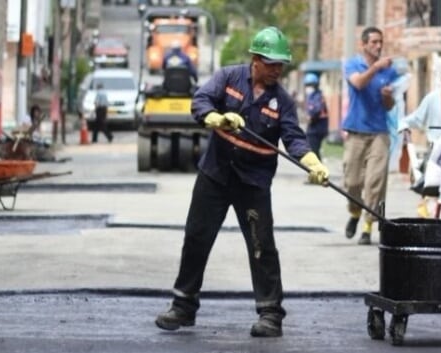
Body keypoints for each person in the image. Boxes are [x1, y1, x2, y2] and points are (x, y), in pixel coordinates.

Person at [154, 26, 329, 338]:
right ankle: (183, 306)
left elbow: (294, 139)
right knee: (196, 237)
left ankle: (271, 314)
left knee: (262, 247)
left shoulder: (283, 102)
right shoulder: (228, 78)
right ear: (255, 59)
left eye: (281, 64)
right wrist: (216, 118)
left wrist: (312, 162)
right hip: (215, 175)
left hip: (253, 182)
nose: (277, 70)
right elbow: (201, 101)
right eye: (272, 63)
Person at [342, 27, 398, 245]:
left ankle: (367, 227)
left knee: (375, 181)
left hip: (379, 133)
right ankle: (355, 213)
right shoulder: (353, 65)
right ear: (364, 44)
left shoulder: (389, 72)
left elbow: (390, 105)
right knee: (352, 182)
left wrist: (388, 97)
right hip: (356, 131)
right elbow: (358, 83)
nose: (378, 46)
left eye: (380, 42)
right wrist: (376, 67)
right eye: (374, 42)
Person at [398, 64, 441, 217]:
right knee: (432, 190)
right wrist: (404, 125)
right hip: (436, 151)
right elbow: (415, 119)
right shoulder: (432, 99)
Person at [303, 73, 329, 160]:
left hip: (317, 128)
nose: (308, 87)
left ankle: (319, 170)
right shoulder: (311, 96)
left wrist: (310, 117)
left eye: (310, 85)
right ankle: (317, 170)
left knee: (313, 151)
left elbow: (316, 110)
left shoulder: (317, 96)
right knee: (312, 151)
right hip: (314, 128)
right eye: (307, 85)